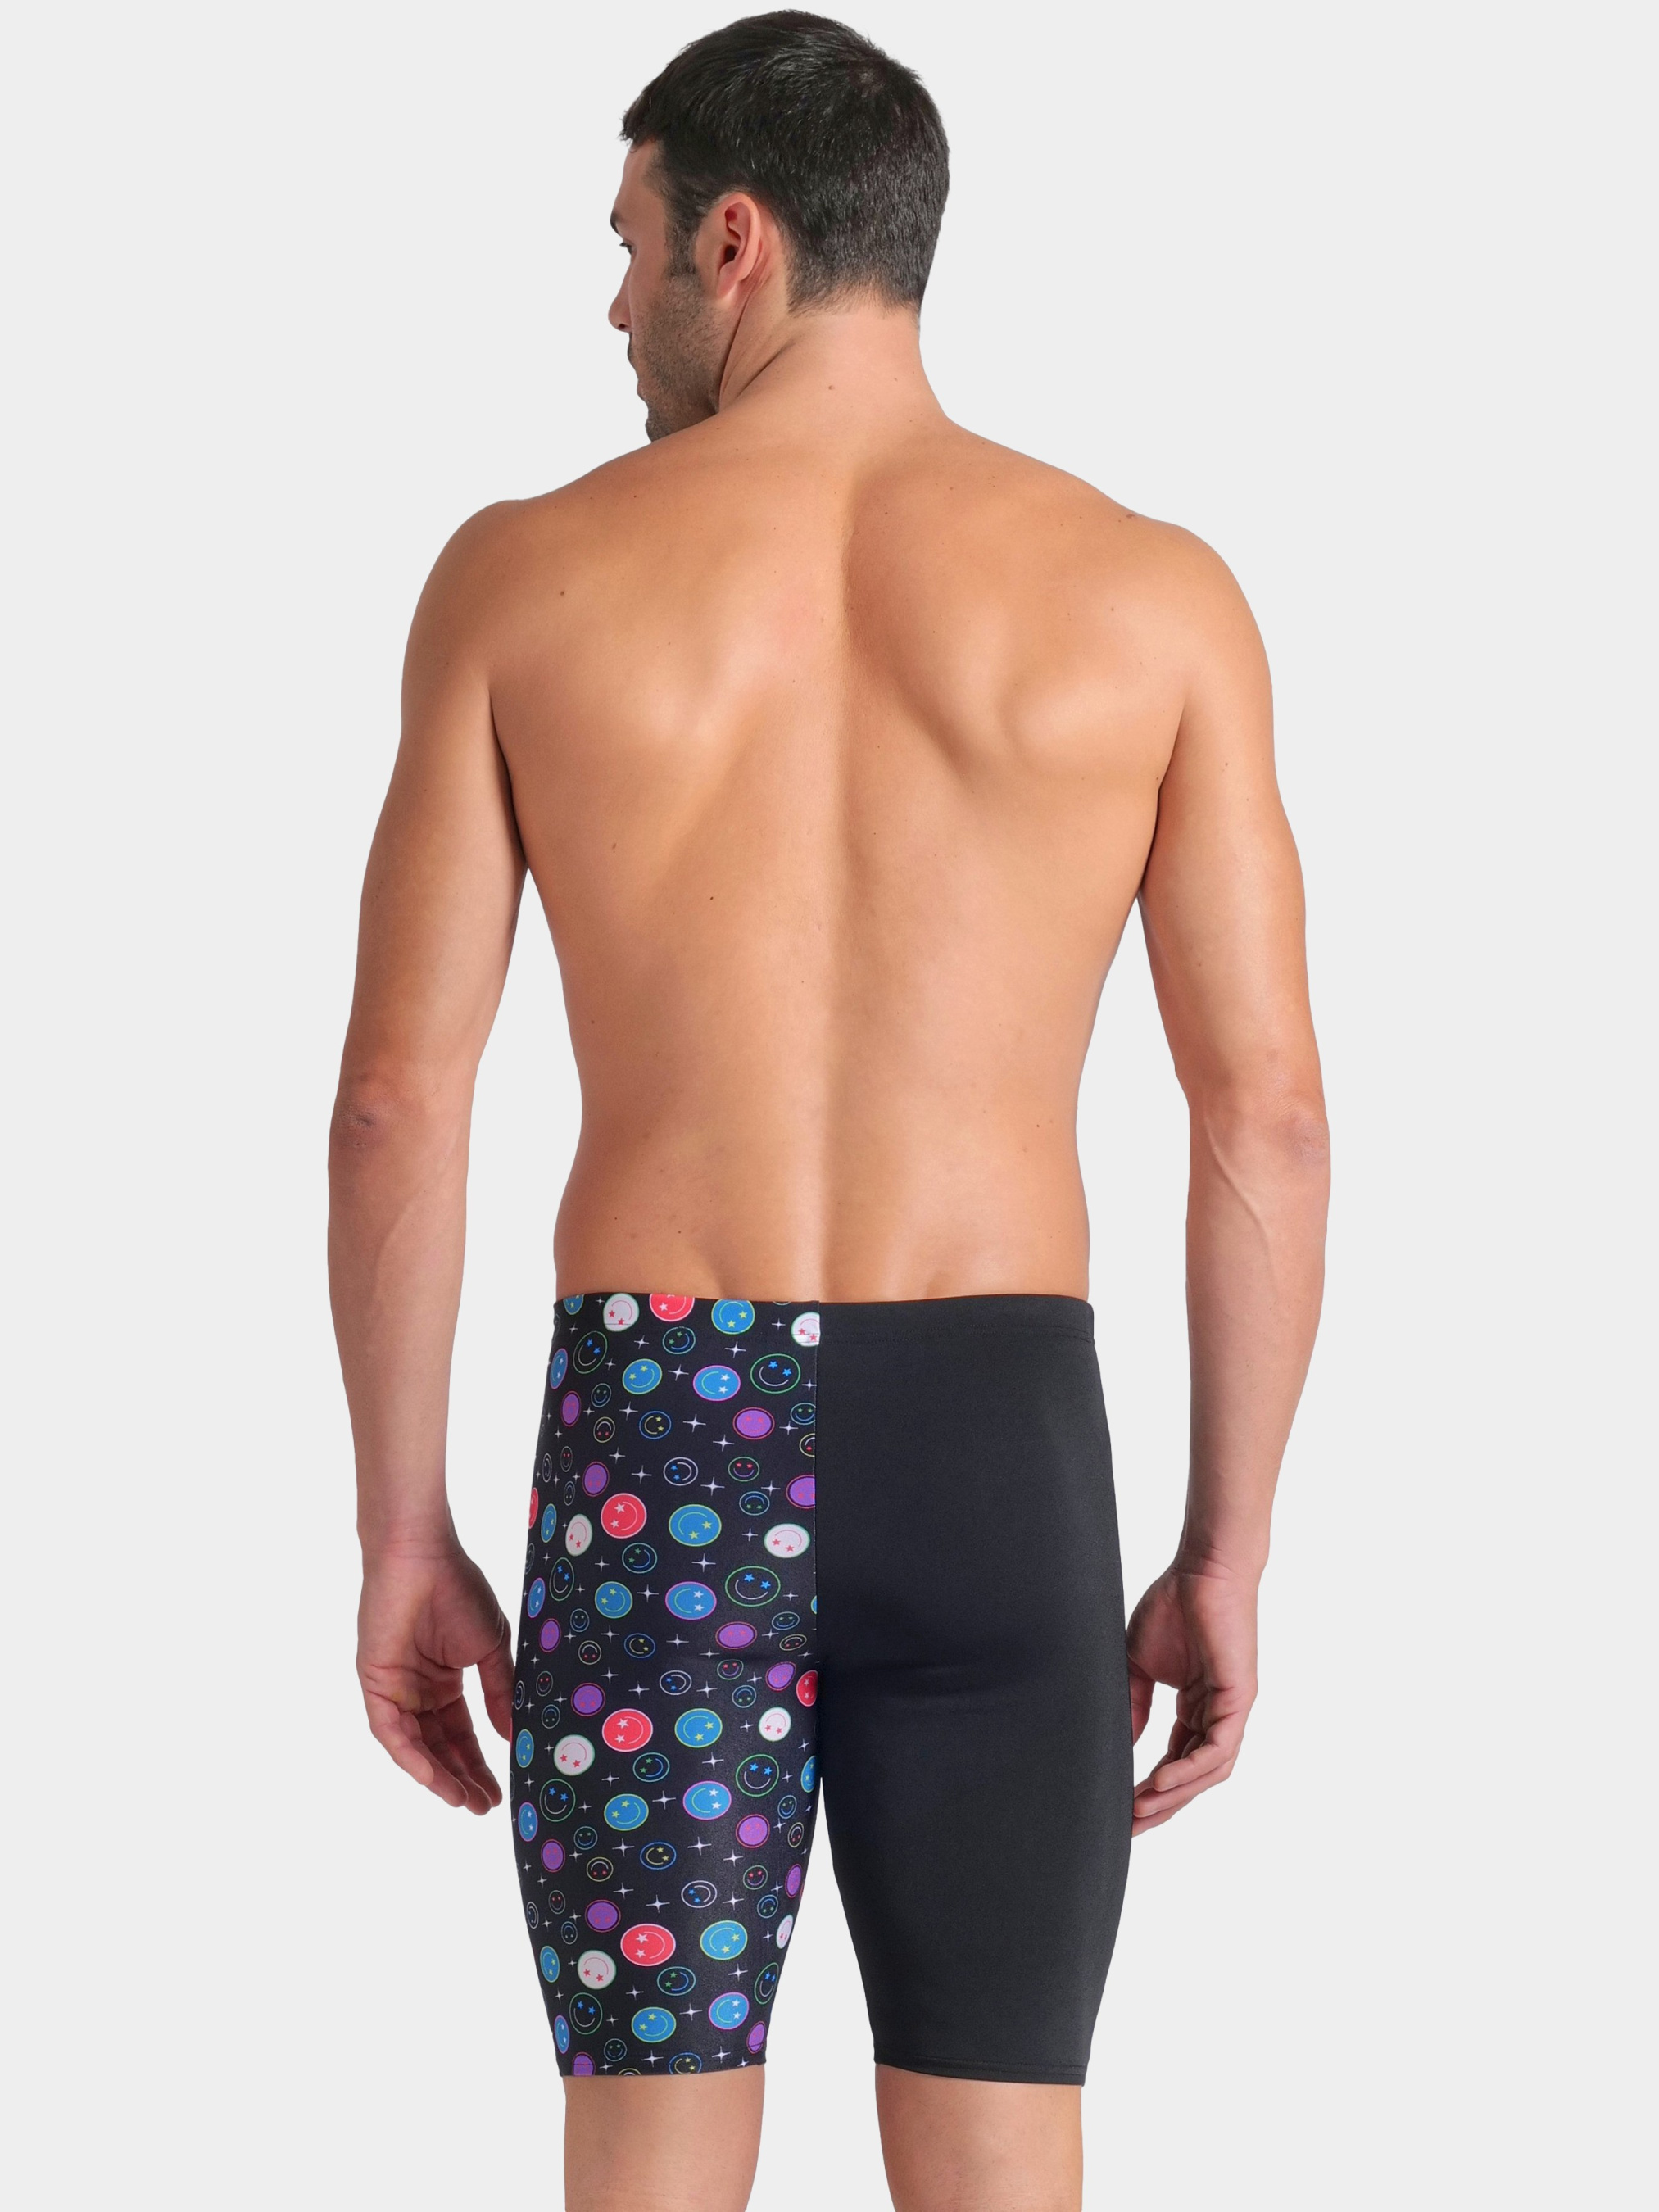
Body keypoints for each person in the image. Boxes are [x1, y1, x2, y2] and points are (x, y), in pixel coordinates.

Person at [327, 12, 1329, 2210]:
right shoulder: (1153, 597)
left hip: (663, 1434)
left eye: (627, 248)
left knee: (651, 2136)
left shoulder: (521, 577)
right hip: (998, 1436)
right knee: (1001, 2147)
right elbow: (1260, 1115)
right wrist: (1223, 1550)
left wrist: (404, 1532)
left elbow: (400, 1100)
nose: (612, 305)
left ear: (738, 242)